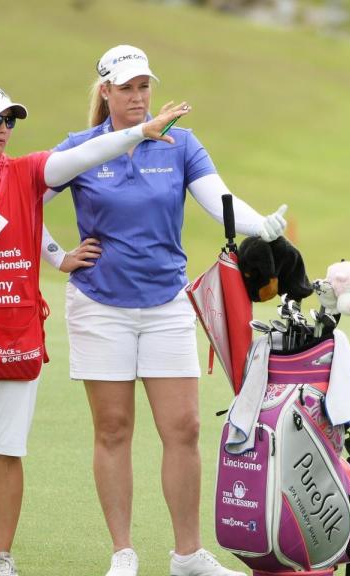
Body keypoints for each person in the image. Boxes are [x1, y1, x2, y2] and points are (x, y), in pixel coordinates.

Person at [0, 84, 190, 576]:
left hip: (15, 333)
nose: (4, 129)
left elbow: (85, 153)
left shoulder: (27, 172)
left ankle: (1, 557)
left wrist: (139, 134)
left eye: (10, 120)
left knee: (7, 451)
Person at [41, 45, 287, 576]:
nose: (138, 97)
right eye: (126, 88)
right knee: (113, 429)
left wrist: (259, 223)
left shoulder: (181, 144)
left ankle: (187, 556)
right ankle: (123, 553)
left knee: (183, 426)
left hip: (166, 303)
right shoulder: (84, 148)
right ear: (105, 91)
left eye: (144, 86)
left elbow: (217, 196)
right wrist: (57, 256)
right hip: (99, 305)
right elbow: (21, 198)